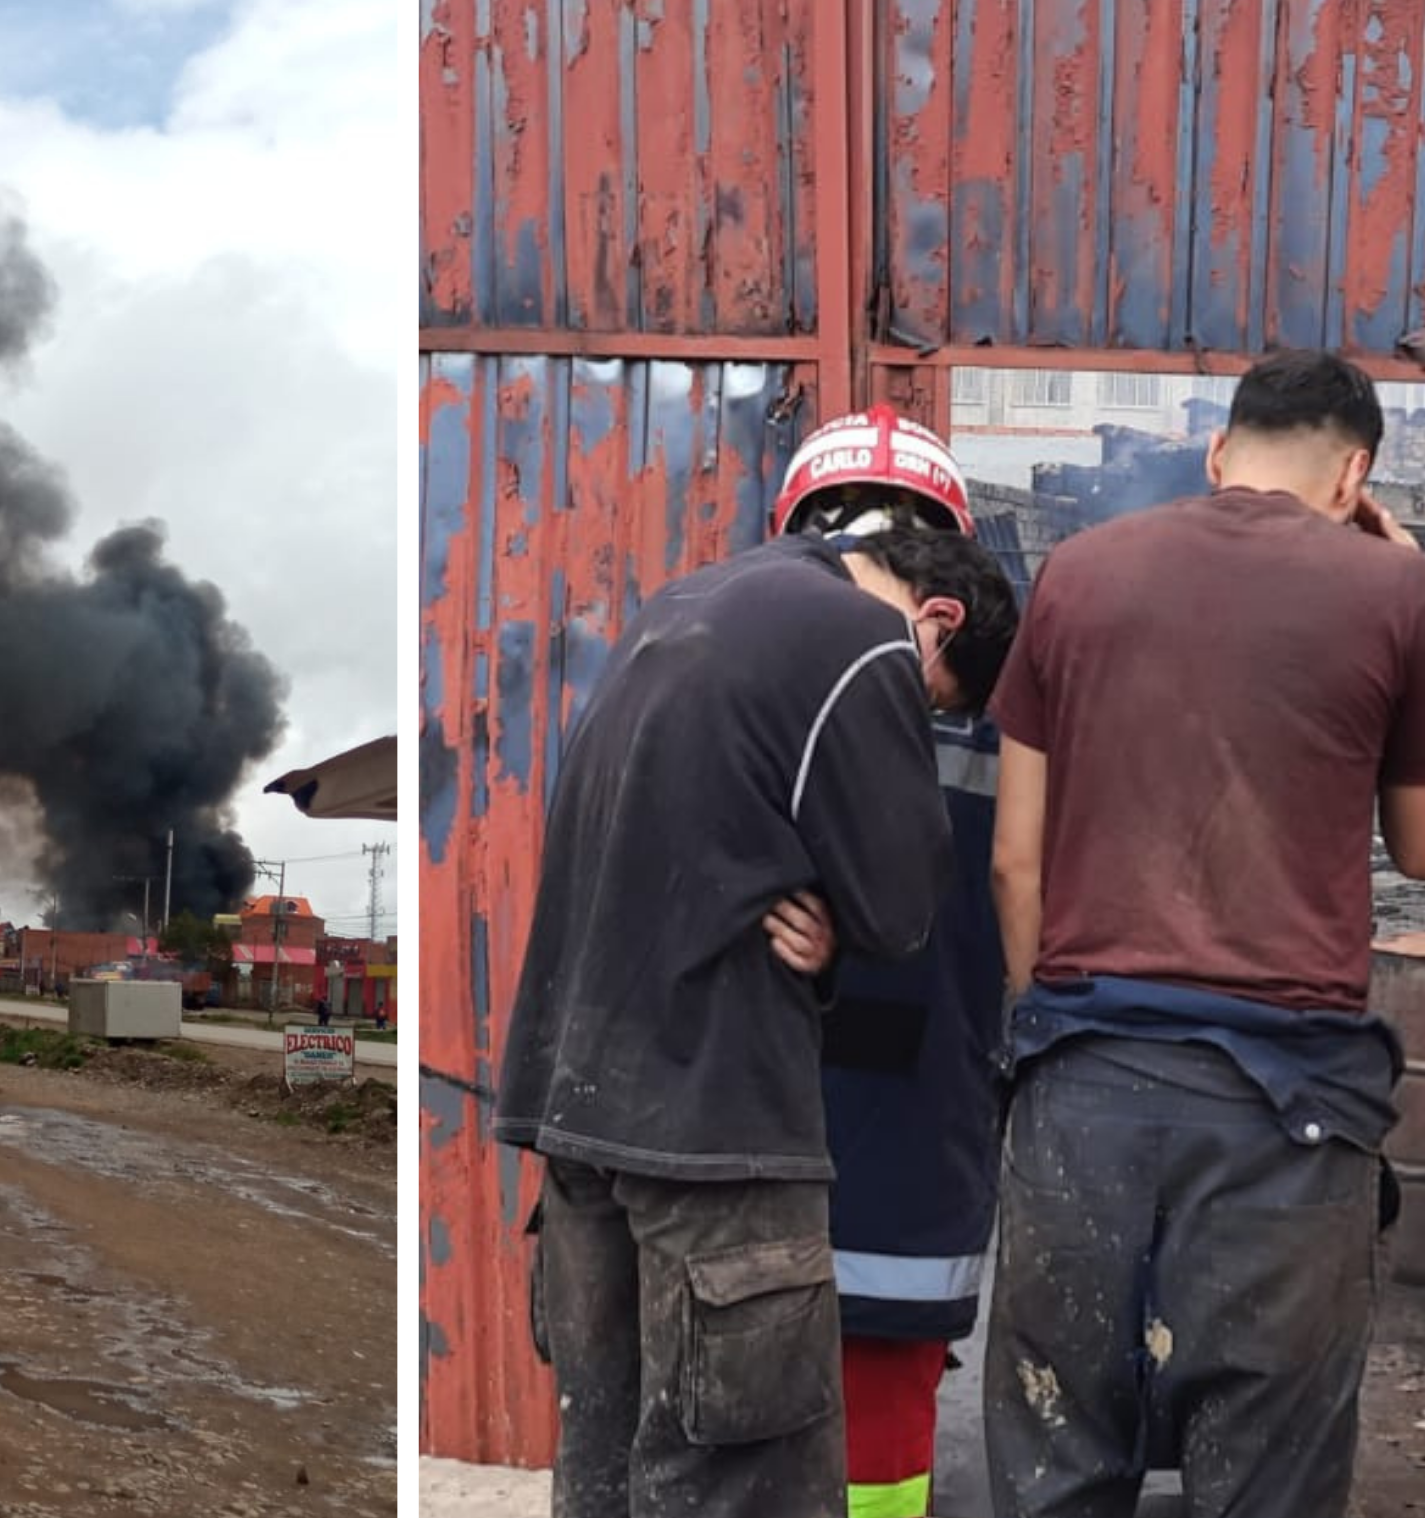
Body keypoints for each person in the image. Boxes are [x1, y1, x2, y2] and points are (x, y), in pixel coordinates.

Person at [494, 494, 1019, 1518]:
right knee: (734, 1481)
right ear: (938, 619)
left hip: (580, 1125)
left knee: (604, 1461)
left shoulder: (687, 602)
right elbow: (903, 907)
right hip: (716, 1137)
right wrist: (842, 929)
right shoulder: (864, 637)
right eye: (932, 703)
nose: (917, 724)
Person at [984, 349, 1425, 1518]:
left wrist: (1047, 1036)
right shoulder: (1393, 592)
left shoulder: (1076, 574)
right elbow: (1418, 845)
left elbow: (1012, 858)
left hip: (1080, 1094)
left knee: (1057, 1460)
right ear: (1354, 476)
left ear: (1218, 452)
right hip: (1284, 1115)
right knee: (1262, 1482)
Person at [771, 408, 1010, 1518]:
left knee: (810, 1410)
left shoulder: (752, 677)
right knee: (862, 1417)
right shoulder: (1000, 714)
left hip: (824, 1119)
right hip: (887, 1130)